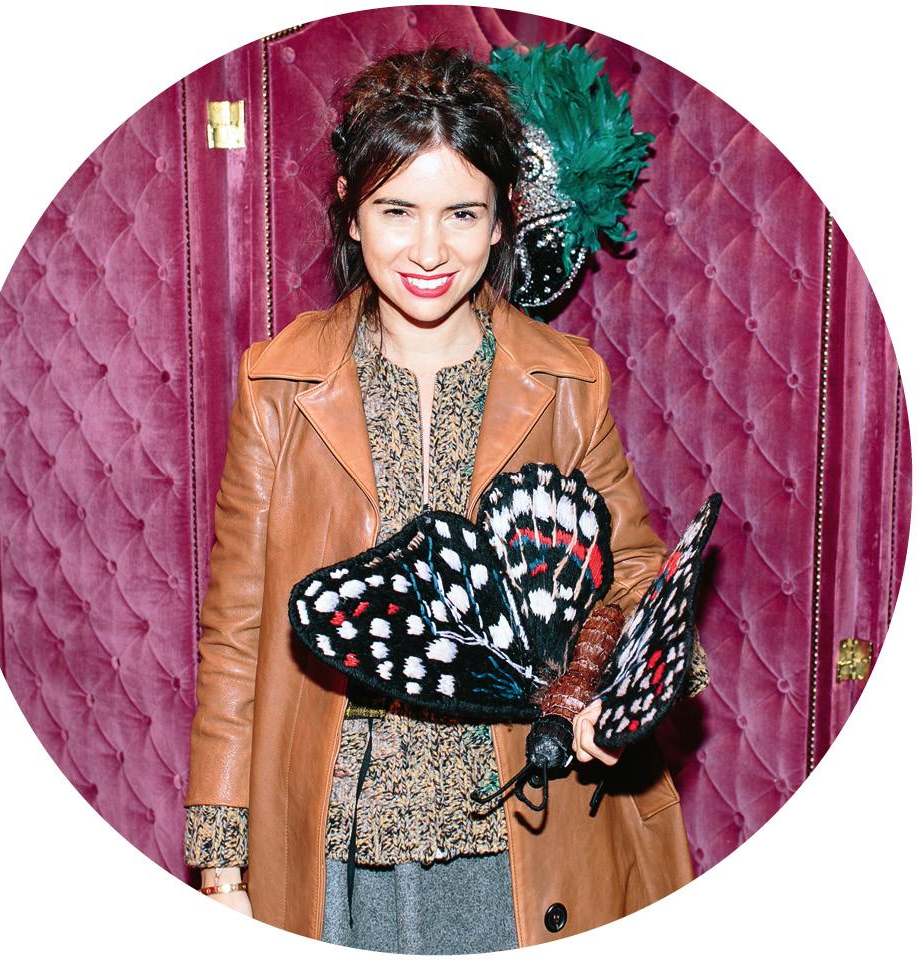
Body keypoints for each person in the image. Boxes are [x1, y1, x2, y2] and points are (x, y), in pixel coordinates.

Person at [183, 44, 706, 953]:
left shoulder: (567, 381)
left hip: (522, 820)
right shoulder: (278, 383)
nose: (429, 251)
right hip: (336, 824)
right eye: (397, 211)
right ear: (350, 210)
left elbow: (634, 571)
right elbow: (237, 633)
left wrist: (604, 683)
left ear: (504, 220)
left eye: (463, 213)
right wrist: (222, 868)